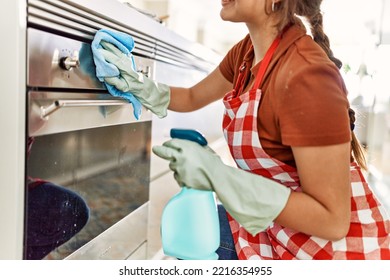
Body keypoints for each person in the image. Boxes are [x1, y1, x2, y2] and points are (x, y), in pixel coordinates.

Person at [97, 0, 390, 259]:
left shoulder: (307, 76)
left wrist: (221, 176)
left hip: (325, 253)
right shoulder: (247, 53)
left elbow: (332, 221)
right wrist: (139, 84)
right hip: (278, 229)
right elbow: (191, 97)